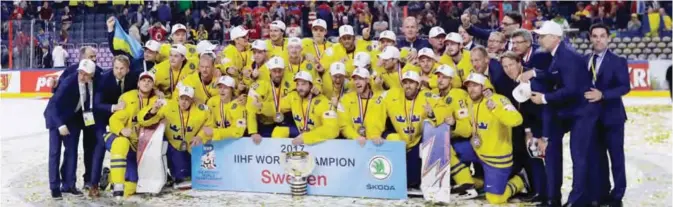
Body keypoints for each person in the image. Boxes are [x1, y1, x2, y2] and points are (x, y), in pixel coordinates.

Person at [520, 21, 597, 206]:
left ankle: (578, 200)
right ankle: (553, 197)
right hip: (568, 111)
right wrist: (536, 73)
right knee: (555, 150)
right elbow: (554, 75)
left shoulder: (567, 56)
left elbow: (571, 89)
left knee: (578, 156)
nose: (539, 39)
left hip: (581, 112)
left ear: (555, 38)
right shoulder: (558, 54)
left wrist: (545, 98)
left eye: (543, 36)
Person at [454, 69, 526, 205]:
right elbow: (467, 128)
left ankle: (520, 180)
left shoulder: (499, 100)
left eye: (475, 85)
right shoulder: (469, 102)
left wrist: (496, 108)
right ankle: (471, 182)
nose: (471, 89)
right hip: (477, 150)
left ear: (484, 87)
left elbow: (516, 120)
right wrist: (454, 125)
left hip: (496, 159)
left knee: (495, 199)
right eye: (469, 86)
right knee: (448, 149)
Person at [586, 23, 630, 207]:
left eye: (602, 36)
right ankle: (602, 191)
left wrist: (602, 95)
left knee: (616, 157)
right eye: (595, 36)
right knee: (597, 158)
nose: (598, 39)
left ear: (608, 38)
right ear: (590, 38)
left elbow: (624, 87)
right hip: (591, 119)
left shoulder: (618, 60)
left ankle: (618, 194)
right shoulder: (585, 59)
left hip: (612, 117)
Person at [137, 85, 212, 190]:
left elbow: (210, 123)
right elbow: (143, 120)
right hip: (172, 143)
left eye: (187, 99)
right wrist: (153, 110)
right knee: (180, 172)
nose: (184, 102)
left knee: (191, 174)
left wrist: (200, 136)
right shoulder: (167, 106)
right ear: (178, 98)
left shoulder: (202, 110)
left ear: (192, 100)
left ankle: (178, 175)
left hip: (190, 145)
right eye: (182, 98)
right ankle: (166, 175)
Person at [43, 59, 97, 199]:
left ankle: (69, 184)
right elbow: (54, 105)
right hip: (56, 117)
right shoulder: (68, 83)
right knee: (55, 152)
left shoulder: (91, 83)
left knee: (72, 151)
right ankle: (54, 187)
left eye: (86, 74)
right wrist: (60, 124)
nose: (82, 76)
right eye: (80, 72)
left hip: (73, 118)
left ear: (92, 75)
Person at [87, 55, 140, 196]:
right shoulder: (103, 79)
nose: (119, 71)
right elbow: (97, 105)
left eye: (122, 68)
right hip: (102, 117)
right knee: (100, 146)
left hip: (122, 119)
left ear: (128, 69)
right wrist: (113, 107)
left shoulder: (134, 78)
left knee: (126, 145)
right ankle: (93, 184)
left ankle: (120, 177)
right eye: (116, 68)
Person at [500, 51, 548, 203]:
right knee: (528, 158)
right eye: (505, 66)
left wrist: (537, 133)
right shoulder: (508, 80)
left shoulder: (530, 79)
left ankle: (543, 193)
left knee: (536, 159)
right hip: (525, 127)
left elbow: (538, 110)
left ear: (519, 63)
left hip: (540, 126)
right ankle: (535, 190)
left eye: (511, 65)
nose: (509, 69)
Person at [382, 71, 442, 190]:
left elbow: (444, 108)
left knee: (412, 181)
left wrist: (433, 113)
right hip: (400, 141)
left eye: (411, 83)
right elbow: (376, 108)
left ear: (419, 85)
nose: (408, 86)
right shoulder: (391, 96)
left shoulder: (427, 96)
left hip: (417, 141)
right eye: (405, 83)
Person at [105, 71, 159, 200]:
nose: (146, 83)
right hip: (116, 137)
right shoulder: (128, 98)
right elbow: (114, 120)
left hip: (136, 146)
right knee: (121, 142)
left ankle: (108, 177)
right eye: (143, 80)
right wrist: (121, 130)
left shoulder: (156, 101)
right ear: (138, 83)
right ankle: (117, 186)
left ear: (153, 85)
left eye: (149, 81)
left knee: (132, 184)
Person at [277, 71, 338, 145]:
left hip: (317, 139)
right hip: (301, 132)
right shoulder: (293, 97)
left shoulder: (323, 101)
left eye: (303, 84)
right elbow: (277, 108)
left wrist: (305, 138)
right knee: (278, 131)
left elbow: (332, 130)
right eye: (298, 84)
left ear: (311, 85)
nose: (300, 88)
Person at [246, 57, 293, 143]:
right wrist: (253, 132)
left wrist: (263, 106)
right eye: (274, 71)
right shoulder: (259, 85)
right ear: (269, 71)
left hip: (286, 121)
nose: (277, 74)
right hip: (266, 123)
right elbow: (251, 109)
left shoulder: (291, 82)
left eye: (280, 71)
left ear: (284, 70)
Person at [337, 68, 387, 143]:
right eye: (355, 79)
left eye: (360, 79)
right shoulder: (345, 99)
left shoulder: (381, 98)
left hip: (377, 142)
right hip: (355, 143)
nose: (357, 82)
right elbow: (344, 125)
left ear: (367, 80)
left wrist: (376, 136)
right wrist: (356, 137)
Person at [200, 75, 247, 142]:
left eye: (225, 88)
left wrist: (215, 132)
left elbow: (238, 131)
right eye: (220, 87)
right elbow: (207, 124)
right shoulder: (212, 102)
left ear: (232, 90)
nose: (222, 90)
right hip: (216, 142)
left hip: (235, 143)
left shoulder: (239, 105)